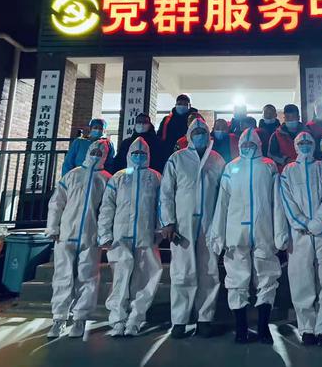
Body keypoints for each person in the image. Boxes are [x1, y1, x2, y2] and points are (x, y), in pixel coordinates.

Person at [209, 128, 282, 344]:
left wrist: (280, 232)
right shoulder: (231, 167)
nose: (248, 147)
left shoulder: (268, 166)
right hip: (236, 231)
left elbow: (277, 202)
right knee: (236, 278)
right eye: (245, 144)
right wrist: (218, 235)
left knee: (267, 276)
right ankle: (241, 328)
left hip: (264, 230)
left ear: (258, 145)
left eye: (252, 144)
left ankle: (263, 327)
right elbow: (222, 203)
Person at [159, 118, 225, 339]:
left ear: (208, 134)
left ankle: (205, 319)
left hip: (210, 222)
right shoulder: (177, 159)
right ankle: (179, 320)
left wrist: (221, 225)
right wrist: (168, 222)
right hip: (182, 223)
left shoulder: (217, 160)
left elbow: (224, 195)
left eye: (202, 131)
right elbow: (166, 192)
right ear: (188, 135)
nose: (199, 135)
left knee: (209, 271)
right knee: (182, 271)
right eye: (195, 132)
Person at [278, 132, 322, 347]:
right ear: (296, 146)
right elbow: (287, 201)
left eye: (308, 142)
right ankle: (307, 327)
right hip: (300, 234)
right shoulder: (288, 171)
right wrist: (303, 223)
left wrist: (318, 223)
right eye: (301, 142)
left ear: (314, 145)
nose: (305, 145)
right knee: (301, 280)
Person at [46, 140, 112, 338]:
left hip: (91, 235)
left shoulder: (106, 179)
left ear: (105, 155)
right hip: (66, 233)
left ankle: (80, 318)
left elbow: (108, 210)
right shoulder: (72, 175)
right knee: (62, 276)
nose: (96, 154)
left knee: (88, 276)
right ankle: (59, 318)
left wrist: (104, 234)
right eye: (94, 150)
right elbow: (57, 203)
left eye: (100, 152)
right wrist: (53, 227)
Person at [98, 137, 163, 337]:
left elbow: (162, 206)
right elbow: (107, 207)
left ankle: (136, 318)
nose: (138, 156)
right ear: (128, 155)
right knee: (120, 278)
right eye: (135, 153)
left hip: (146, 235)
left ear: (148, 155)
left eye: (142, 153)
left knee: (144, 279)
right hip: (120, 236)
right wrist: (104, 233)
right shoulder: (118, 177)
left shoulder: (155, 177)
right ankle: (118, 319)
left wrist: (159, 231)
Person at [157, 94, 199, 165]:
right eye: (179, 103)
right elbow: (160, 137)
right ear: (176, 105)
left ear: (189, 106)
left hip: (189, 155)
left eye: (185, 104)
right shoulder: (167, 120)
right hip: (168, 155)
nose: (182, 106)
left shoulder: (195, 119)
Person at [269, 104, 306, 172]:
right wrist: (286, 160)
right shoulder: (276, 135)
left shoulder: (307, 134)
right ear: (284, 118)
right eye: (288, 117)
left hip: (305, 168)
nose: (290, 120)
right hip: (285, 171)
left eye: (293, 117)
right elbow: (271, 154)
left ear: (298, 117)